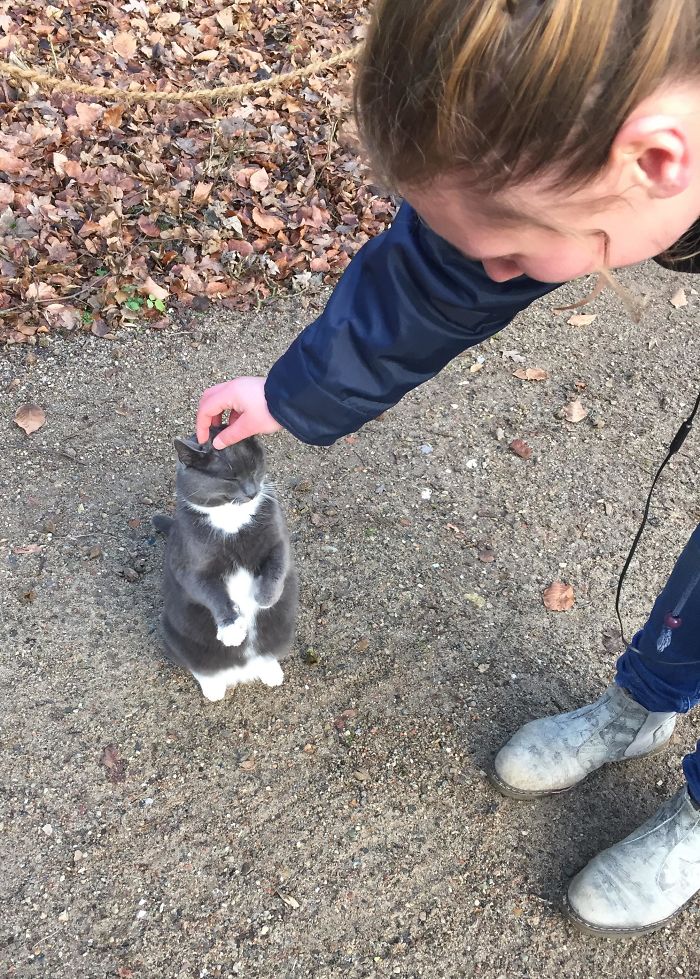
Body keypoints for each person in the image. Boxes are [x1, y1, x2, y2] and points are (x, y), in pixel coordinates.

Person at [196, 0, 700, 938]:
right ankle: (648, 699)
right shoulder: (591, 99)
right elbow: (444, 270)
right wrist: (294, 390)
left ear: (657, 160)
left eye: (516, 250)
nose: (502, 270)